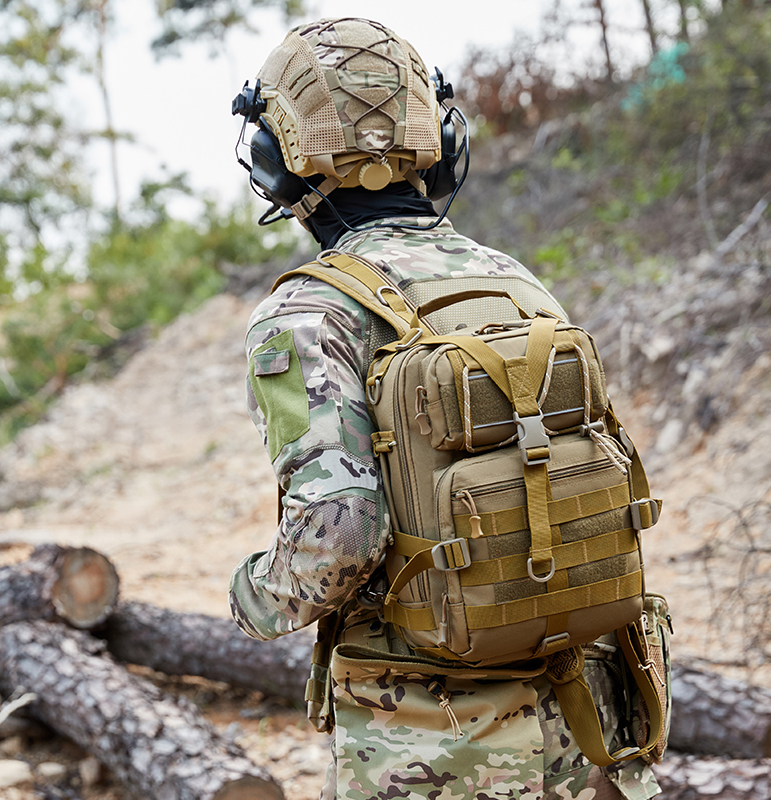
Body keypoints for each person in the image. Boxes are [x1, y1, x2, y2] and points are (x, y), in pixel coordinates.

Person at [228, 17, 661, 800]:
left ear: (275, 164)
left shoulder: (307, 312)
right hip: (581, 717)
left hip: (432, 742)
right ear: (440, 141)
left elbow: (341, 534)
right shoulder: (512, 281)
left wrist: (253, 595)